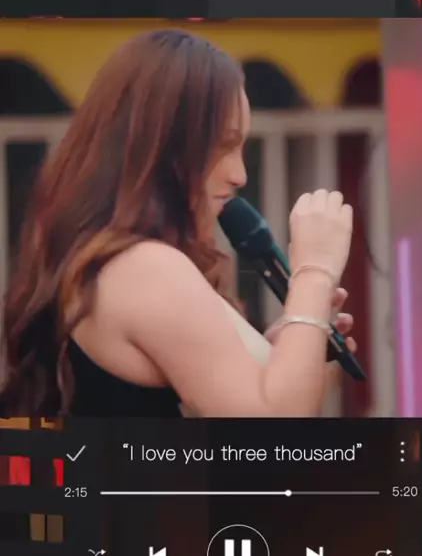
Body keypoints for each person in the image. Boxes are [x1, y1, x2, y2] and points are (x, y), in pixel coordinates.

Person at [0, 28, 356, 418]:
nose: (239, 174)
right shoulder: (146, 267)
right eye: (224, 146)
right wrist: (314, 271)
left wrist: (294, 345)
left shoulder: (106, 256)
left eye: (241, 148)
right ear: (164, 146)